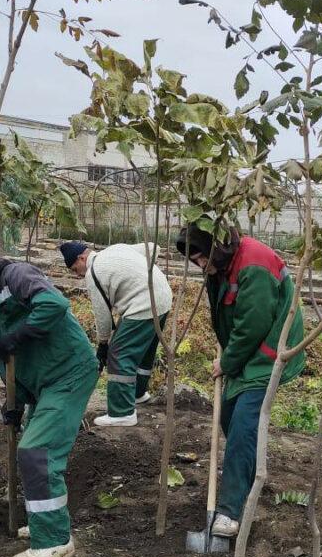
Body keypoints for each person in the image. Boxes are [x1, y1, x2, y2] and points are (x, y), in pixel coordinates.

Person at [0, 246, 98, 557]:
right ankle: (45, 523)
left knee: (37, 449)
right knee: (29, 445)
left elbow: (54, 305)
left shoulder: (15, 275)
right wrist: (17, 403)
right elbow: (10, 357)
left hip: (69, 372)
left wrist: (17, 335)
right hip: (43, 382)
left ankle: (55, 541)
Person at [176, 224, 305, 537]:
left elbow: (253, 324)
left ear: (216, 247)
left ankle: (230, 513)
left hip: (268, 351)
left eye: (201, 258)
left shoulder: (254, 265)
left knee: (244, 423)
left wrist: (228, 361)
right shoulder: (221, 262)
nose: (200, 265)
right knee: (230, 417)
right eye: (194, 261)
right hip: (244, 352)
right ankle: (248, 474)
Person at [59, 240, 172, 427]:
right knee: (145, 349)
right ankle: (138, 394)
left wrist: (103, 345)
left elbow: (102, 315)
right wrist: (141, 274)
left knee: (119, 353)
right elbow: (154, 248)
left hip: (142, 305)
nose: (77, 274)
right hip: (162, 297)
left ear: (82, 257)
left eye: (75, 268)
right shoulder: (115, 250)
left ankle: (122, 412)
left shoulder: (93, 272)